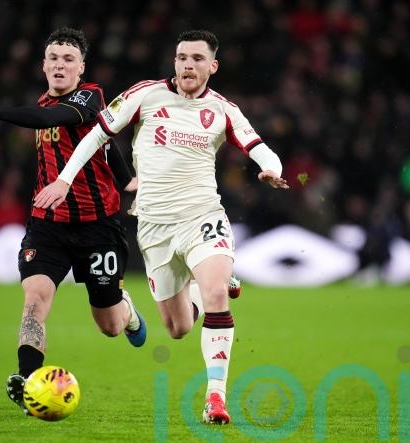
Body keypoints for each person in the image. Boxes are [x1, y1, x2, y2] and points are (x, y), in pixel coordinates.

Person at [36, 30, 289, 424]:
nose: (188, 64)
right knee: (177, 327)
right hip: (154, 226)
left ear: (212, 66)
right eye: (182, 57)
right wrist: (65, 180)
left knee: (217, 293)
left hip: (202, 215)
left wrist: (272, 169)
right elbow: (95, 136)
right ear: (174, 62)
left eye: (197, 59)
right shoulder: (146, 94)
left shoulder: (223, 110)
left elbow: (259, 147)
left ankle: (215, 398)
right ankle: (206, 290)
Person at [0, 27, 146, 416]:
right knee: (35, 299)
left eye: (69, 59)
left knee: (109, 325)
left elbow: (59, 120)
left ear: (81, 68)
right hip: (48, 224)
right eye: (54, 59)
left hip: (97, 227)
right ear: (43, 65)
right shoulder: (43, 104)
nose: (60, 65)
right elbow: (103, 144)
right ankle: (29, 381)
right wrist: (127, 179)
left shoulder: (90, 97)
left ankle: (125, 308)